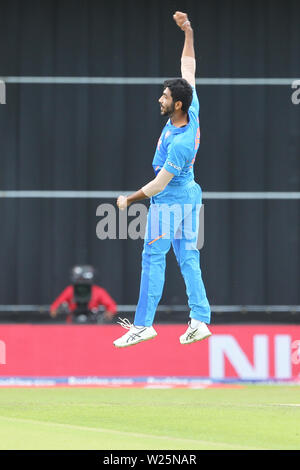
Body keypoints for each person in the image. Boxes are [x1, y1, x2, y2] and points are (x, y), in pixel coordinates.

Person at [114, 11, 211, 347]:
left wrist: (129, 198)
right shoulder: (192, 108)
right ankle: (199, 319)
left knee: (153, 256)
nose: (161, 98)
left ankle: (143, 325)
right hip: (190, 195)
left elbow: (158, 185)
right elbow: (189, 68)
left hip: (170, 199)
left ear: (178, 104)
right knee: (188, 257)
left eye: (166, 96)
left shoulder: (182, 143)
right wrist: (188, 31)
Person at [50, 265, 117, 323]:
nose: (82, 281)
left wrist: (107, 315)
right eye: (80, 279)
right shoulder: (70, 290)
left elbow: (112, 306)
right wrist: (58, 311)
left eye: (84, 279)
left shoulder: (98, 291)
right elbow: (55, 307)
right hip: (72, 323)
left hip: (92, 323)